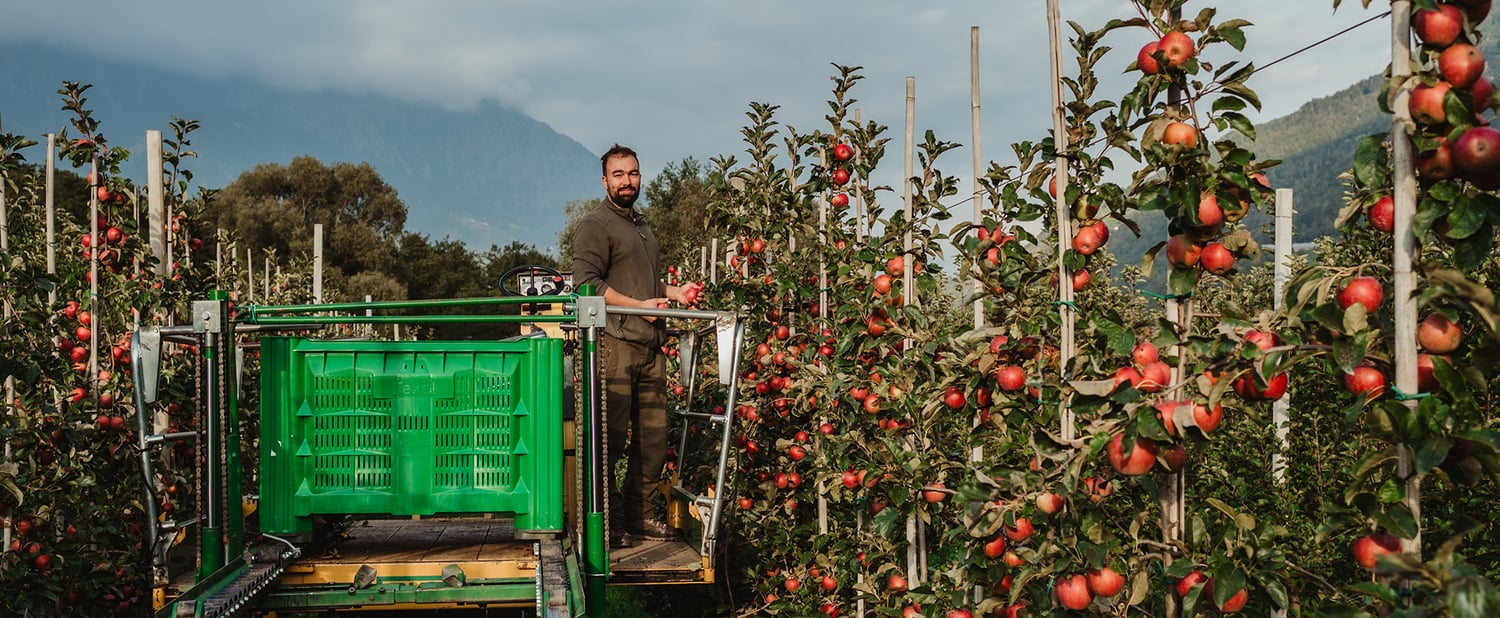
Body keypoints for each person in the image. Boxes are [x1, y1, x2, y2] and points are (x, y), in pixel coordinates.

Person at [571, 144, 702, 548]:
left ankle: (640, 516)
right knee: (608, 440)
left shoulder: (642, 226)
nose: (627, 182)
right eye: (619, 175)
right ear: (604, 180)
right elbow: (586, 286)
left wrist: (674, 292)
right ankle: (606, 525)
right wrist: (638, 307)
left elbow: (643, 286)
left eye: (633, 174)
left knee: (652, 441)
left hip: (650, 347)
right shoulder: (595, 225)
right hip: (614, 345)